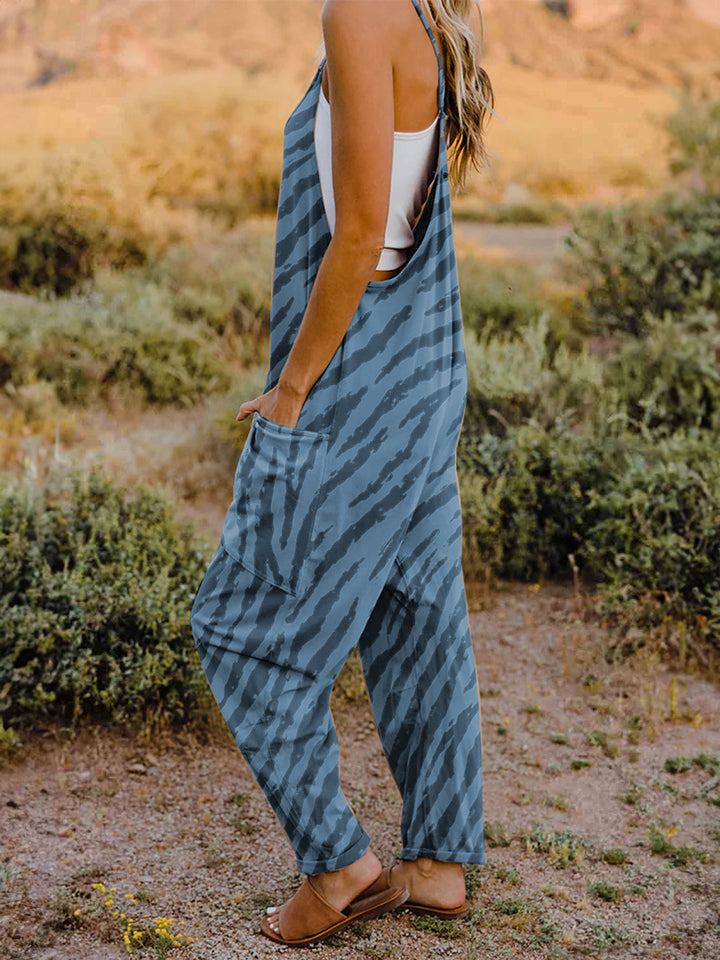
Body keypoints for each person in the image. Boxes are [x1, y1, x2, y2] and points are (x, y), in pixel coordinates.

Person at [190, 0, 495, 947]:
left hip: (359, 385)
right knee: (419, 616)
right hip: (421, 367)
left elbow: (363, 231)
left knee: (239, 628)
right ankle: (439, 866)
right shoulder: (415, 12)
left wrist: (290, 390)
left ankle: (338, 867)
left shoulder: (359, 11)